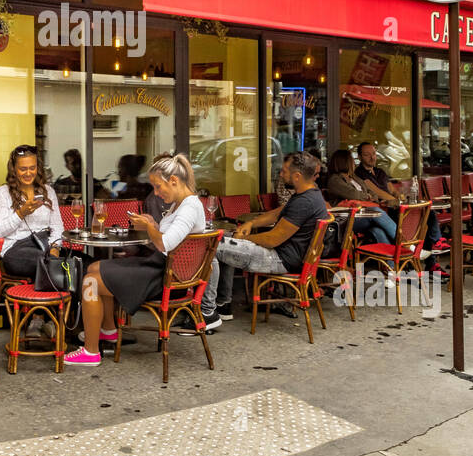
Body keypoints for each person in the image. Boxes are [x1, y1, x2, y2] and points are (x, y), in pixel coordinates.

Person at [65, 154, 208, 366]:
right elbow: (172, 239)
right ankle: (108, 329)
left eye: (159, 187)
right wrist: (153, 225)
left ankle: (91, 351)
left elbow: (164, 244)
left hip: (166, 277)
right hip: (163, 268)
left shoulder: (188, 208)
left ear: (174, 181)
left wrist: (150, 228)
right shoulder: (182, 204)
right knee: (94, 267)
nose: (156, 193)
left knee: (90, 282)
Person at [201, 151, 332, 323]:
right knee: (221, 240)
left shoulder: (304, 202)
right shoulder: (309, 194)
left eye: (285, 171)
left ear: (297, 176)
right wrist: (251, 224)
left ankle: (208, 312)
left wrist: (243, 239)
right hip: (284, 255)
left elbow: (272, 239)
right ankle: (223, 304)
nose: (281, 174)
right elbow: (275, 214)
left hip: (279, 259)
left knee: (210, 246)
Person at [0, 145, 62, 279]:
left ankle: (72, 298)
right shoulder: (1, 194)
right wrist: (20, 214)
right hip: (15, 250)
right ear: (14, 170)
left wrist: (55, 248)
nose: (28, 173)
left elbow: (57, 226)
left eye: (32, 168)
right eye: (23, 169)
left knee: (84, 264)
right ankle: (68, 299)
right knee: (58, 266)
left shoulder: (48, 191)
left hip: (44, 245)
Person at [325, 148, 398, 245]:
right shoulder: (335, 180)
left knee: (378, 230)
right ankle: (406, 244)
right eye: (351, 160)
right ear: (344, 162)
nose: (354, 162)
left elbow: (373, 193)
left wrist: (369, 196)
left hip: (364, 215)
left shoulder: (354, 177)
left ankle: (391, 260)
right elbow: (353, 194)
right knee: (377, 213)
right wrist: (367, 196)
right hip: (348, 219)